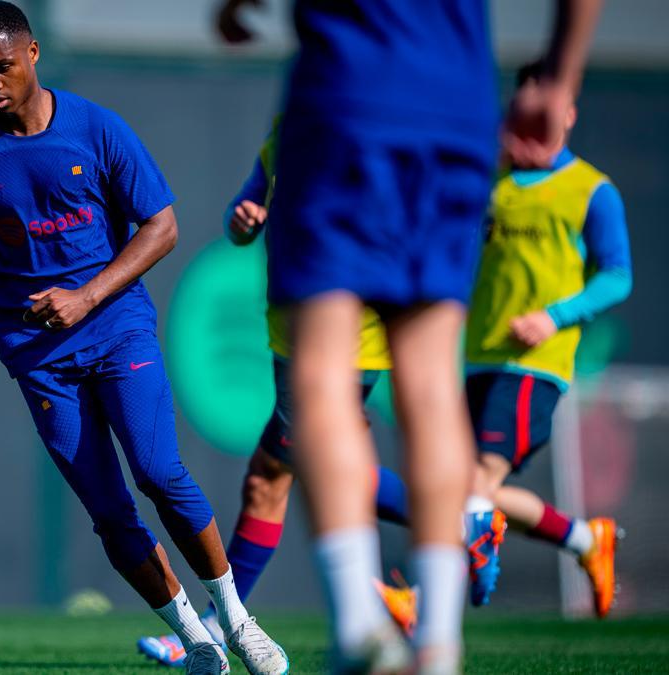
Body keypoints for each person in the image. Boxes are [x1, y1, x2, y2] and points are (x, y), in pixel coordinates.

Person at [0, 4, 287, 674]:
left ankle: (235, 618)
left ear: (32, 53)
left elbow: (162, 226)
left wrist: (86, 295)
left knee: (158, 471)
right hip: (38, 358)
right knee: (109, 511)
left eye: (3, 65)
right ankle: (195, 641)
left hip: (118, 330)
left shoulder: (96, 129)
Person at [215, 1, 603, 672]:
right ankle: (440, 645)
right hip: (455, 110)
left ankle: (362, 630)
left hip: (345, 101)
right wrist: (561, 76)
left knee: (318, 378)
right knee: (429, 381)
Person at [137, 121, 416, 668]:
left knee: (276, 474)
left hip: (345, 339)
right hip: (292, 336)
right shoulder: (286, 136)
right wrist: (242, 222)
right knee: (293, 475)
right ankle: (459, 523)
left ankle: (220, 628)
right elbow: (242, 219)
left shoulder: (376, 137)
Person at [462, 60, 630, 615]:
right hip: (476, 356)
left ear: (569, 114)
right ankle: (586, 540)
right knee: (467, 486)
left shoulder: (591, 189)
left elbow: (616, 276)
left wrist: (553, 317)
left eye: (546, 105)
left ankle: (418, 597)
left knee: (477, 478)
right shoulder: (494, 184)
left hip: (535, 362)